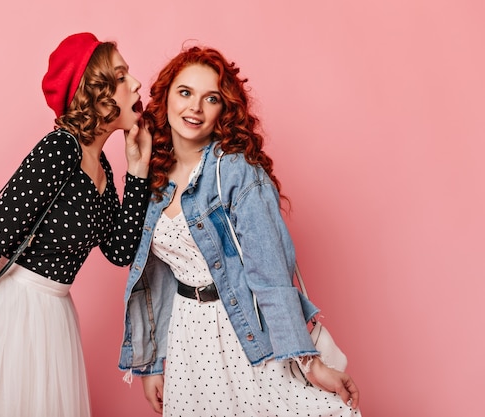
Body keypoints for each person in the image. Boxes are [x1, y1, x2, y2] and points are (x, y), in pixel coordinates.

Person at [0, 32, 151, 417]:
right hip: (16, 315)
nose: (135, 84)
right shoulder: (60, 149)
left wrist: (137, 171)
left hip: (55, 317)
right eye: (121, 76)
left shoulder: (101, 165)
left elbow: (120, 252)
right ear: (95, 91)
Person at [118, 45, 362, 416]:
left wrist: (310, 364)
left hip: (240, 328)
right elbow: (153, 273)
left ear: (223, 110)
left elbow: (270, 273)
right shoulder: (156, 175)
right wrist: (152, 364)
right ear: (165, 98)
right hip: (187, 336)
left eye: (210, 98)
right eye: (185, 93)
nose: (194, 108)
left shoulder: (236, 170)